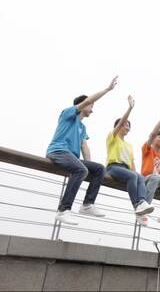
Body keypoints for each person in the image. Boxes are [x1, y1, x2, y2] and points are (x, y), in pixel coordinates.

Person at [46, 76, 118, 225]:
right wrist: (107, 89)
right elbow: (87, 101)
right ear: (83, 105)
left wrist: (88, 165)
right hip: (58, 151)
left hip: (72, 157)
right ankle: (63, 210)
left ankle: (87, 204)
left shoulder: (83, 127)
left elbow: (85, 147)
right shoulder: (68, 114)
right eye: (91, 106)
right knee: (81, 170)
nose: (92, 110)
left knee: (99, 168)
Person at [105, 95, 154, 219]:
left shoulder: (129, 145)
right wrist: (130, 108)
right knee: (133, 176)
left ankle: (142, 202)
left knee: (139, 176)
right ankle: (137, 204)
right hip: (113, 167)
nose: (127, 127)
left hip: (126, 169)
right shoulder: (113, 137)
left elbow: (132, 164)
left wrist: (137, 176)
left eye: (129, 125)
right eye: (125, 124)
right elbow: (121, 121)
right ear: (119, 126)